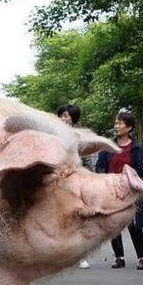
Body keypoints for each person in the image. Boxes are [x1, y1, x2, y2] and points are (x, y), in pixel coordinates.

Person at [96, 108, 143, 270]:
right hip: (112, 191)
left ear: (129, 127)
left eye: (120, 123)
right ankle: (119, 257)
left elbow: (141, 170)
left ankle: (142, 257)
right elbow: (100, 167)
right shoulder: (108, 147)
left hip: (130, 191)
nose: (116, 126)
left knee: (134, 225)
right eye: (116, 123)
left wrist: (128, 174)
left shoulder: (136, 148)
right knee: (114, 225)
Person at [57, 103, 92, 269]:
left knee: (79, 218)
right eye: (61, 115)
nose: (63, 118)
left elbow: (87, 160)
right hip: (58, 182)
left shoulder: (79, 137)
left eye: (66, 115)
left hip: (76, 181)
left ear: (73, 118)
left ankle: (81, 255)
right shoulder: (53, 135)